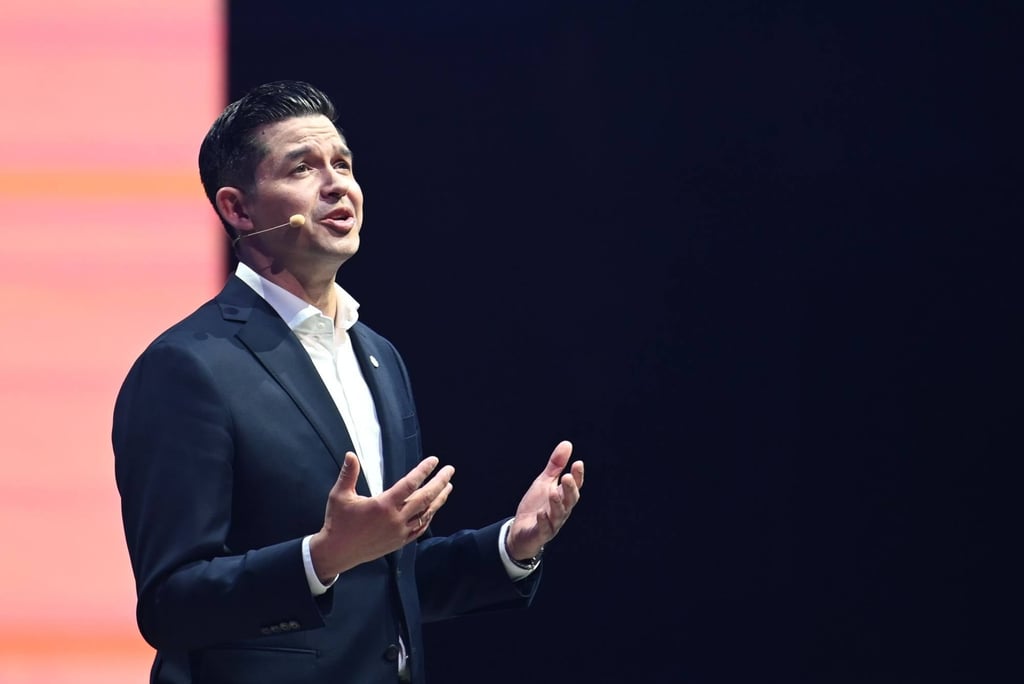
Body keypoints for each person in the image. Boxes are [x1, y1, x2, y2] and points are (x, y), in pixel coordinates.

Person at [112, 80, 584, 684]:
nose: (337, 184)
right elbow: (171, 605)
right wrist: (322, 556)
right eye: (303, 168)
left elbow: (389, 579)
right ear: (237, 208)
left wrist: (511, 546)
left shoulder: (378, 356)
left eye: (343, 163)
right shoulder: (187, 367)